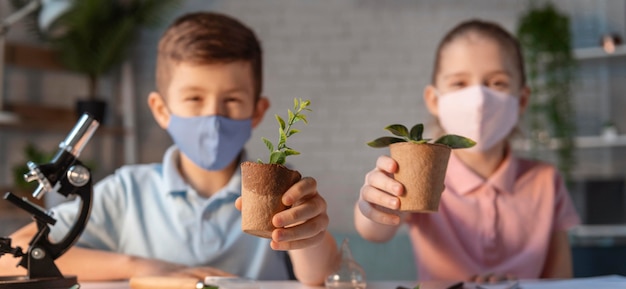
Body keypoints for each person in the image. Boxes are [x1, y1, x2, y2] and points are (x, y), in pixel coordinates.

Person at [1, 12, 337, 285]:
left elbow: (323, 276)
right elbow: (10, 255)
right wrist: (140, 266)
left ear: (257, 111)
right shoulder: (127, 192)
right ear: (162, 110)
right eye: (194, 98)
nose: (213, 117)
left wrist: (310, 232)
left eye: (232, 100)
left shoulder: (279, 192)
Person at [354, 19, 580, 282]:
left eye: (497, 83)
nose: (480, 99)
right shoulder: (421, 177)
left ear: (522, 100)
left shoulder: (546, 181)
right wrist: (376, 204)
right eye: (460, 83)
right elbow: (374, 232)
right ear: (433, 100)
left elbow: (561, 280)